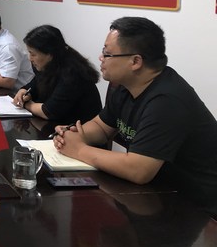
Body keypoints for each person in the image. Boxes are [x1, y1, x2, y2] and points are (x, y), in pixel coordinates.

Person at [53, 17, 217, 214]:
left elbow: (138, 170)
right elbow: (102, 127)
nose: (101, 58)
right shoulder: (125, 86)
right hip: (157, 194)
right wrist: (71, 135)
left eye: (107, 53)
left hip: (197, 208)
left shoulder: (167, 100)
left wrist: (79, 149)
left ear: (135, 61)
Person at [12, 25, 101, 123]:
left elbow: (49, 112)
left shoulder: (72, 73)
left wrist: (26, 104)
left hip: (80, 127)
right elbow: (35, 84)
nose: (30, 58)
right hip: (59, 124)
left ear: (50, 54)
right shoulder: (48, 65)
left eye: (33, 54)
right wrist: (24, 91)